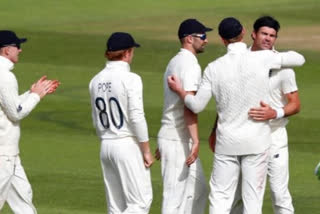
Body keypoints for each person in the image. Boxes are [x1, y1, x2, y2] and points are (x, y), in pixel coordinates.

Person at [167, 17, 305, 214]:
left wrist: (182, 92)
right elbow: (299, 59)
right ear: (244, 33)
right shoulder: (263, 58)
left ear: (222, 40)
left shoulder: (213, 67)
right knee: (252, 202)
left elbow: (196, 106)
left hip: (227, 144)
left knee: (221, 199)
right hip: (257, 142)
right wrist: (275, 56)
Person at [228, 15, 299, 214]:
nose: (268, 38)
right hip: (244, 136)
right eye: (264, 34)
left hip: (274, 137)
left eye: (272, 35)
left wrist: (273, 113)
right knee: (239, 196)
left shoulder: (284, 68)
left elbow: (295, 104)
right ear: (253, 34)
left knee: (279, 194)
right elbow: (229, 101)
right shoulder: (239, 62)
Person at [89, 32, 154, 214]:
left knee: (116, 207)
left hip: (106, 145)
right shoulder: (131, 79)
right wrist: (146, 150)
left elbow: (95, 119)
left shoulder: (95, 81)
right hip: (126, 144)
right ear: (127, 53)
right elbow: (136, 117)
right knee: (140, 203)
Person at [155, 18, 211, 214]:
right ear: (189, 39)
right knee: (173, 198)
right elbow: (189, 106)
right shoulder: (190, 65)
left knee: (199, 190)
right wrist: (196, 141)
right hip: (176, 138)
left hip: (175, 136)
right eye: (202, 36)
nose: (206, 40)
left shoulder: (175, 60)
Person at [0, 30, 59, 214]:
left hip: (10, 154)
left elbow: (8, 103)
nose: (20, 50)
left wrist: (32, 92)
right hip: (3, 155)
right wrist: (36, 97)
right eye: (18, 47)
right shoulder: (5, 76)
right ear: (7, 50)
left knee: (25, 206)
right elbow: (15, 114)